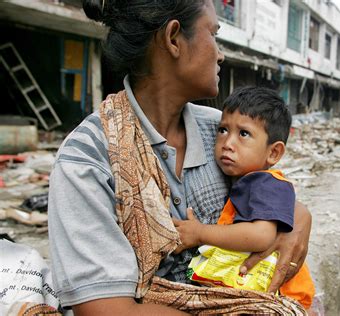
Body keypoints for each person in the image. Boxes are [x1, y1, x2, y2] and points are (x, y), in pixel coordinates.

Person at [48, 0, 312, 315]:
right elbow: (106, 309)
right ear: (174, 38)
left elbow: (266, 188)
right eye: (213, 34)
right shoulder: (89, 158)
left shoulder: (219, 131)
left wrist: (297, 216)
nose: (220, 53)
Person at [173, 86, 316, 309]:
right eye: (222, 130)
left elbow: (261, 236)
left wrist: (199, 233)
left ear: (274, 153)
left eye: (244, 134)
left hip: (282, 297)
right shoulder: (247, 180)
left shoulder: (265, 183)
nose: (227, 143)